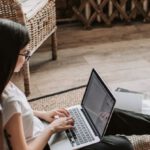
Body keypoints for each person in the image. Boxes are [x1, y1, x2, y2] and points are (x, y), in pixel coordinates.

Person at [0, 19, 150, 150]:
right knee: (122, 145)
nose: (27, 57)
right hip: (47, 145)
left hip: (43, 130)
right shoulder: (9, 101)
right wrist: (51, 129)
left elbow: (18, 113)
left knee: (110, 115)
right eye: (25, 53)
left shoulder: (5, 83)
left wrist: (43, 115)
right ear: (9, 55)